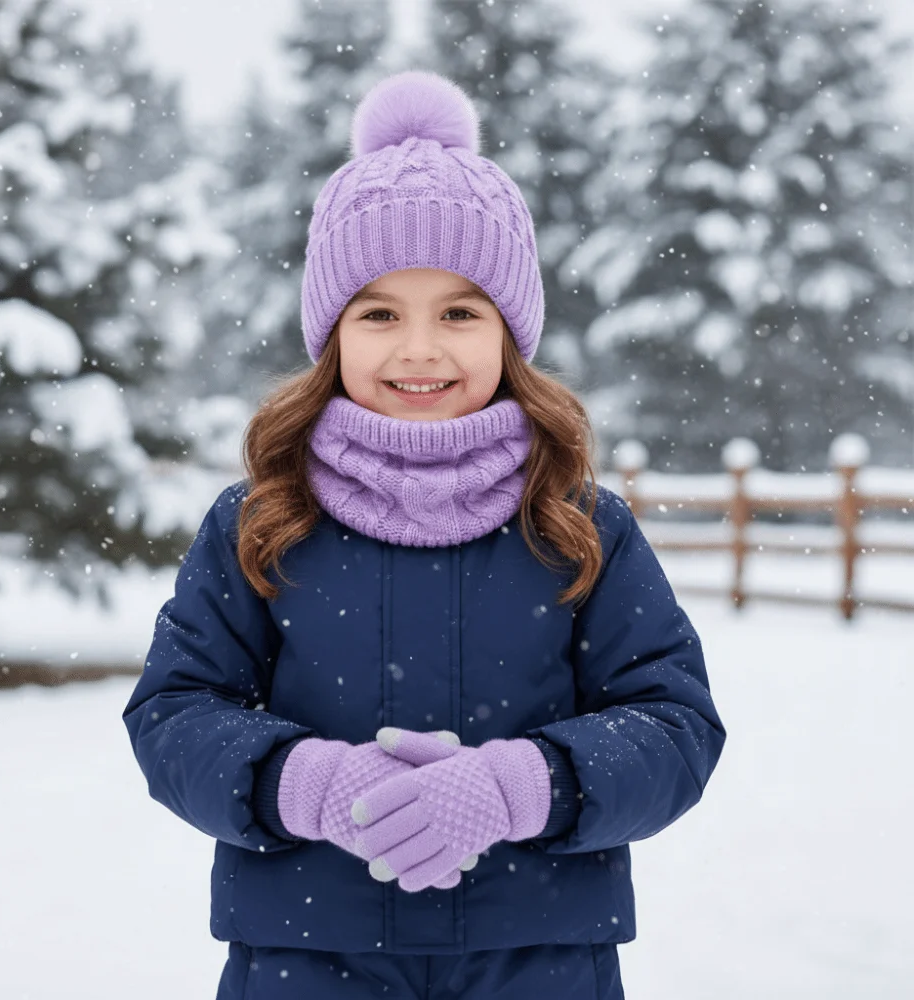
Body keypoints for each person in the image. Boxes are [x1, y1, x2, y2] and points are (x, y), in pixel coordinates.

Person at [122, 69, 726, 1000]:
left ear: (508, 332)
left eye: (458, 311)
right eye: (378, 313)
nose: (419, 349)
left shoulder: (579, 526)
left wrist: (519, 786)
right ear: (331, 335)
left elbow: (674, 724)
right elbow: (174, 715)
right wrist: (306, 782)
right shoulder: (260, 523)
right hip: (307, 952)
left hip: (540, 956)